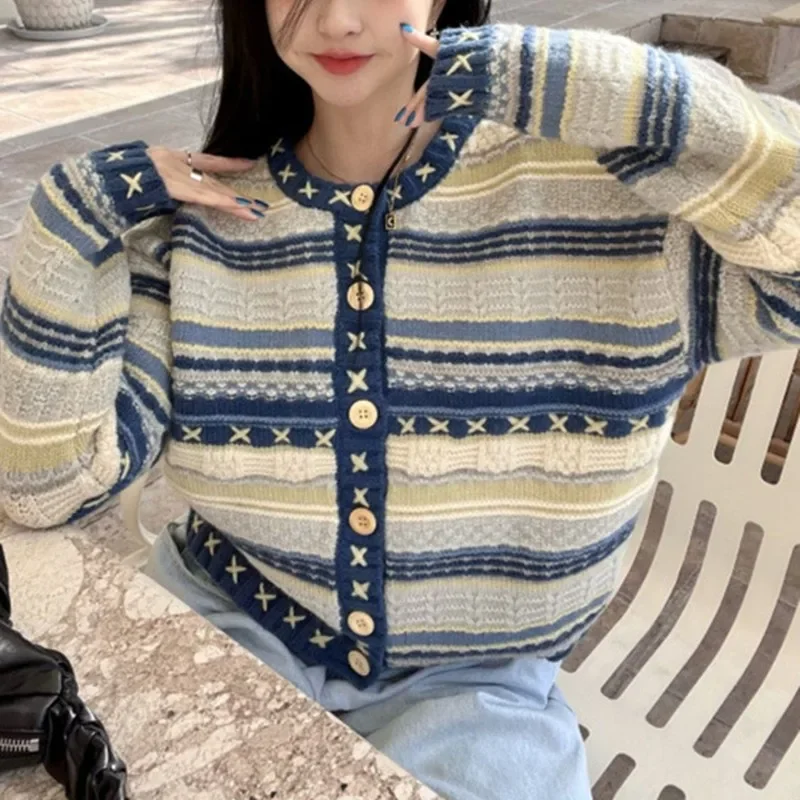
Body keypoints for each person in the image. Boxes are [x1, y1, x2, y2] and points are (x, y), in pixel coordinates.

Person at [2, 0, 800, 797]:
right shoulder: (199, 230)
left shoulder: (613, 207)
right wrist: (71, 215)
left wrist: (592, 85)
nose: (338, 20)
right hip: (217, 627)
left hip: (481, 692)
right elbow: (44, 490)